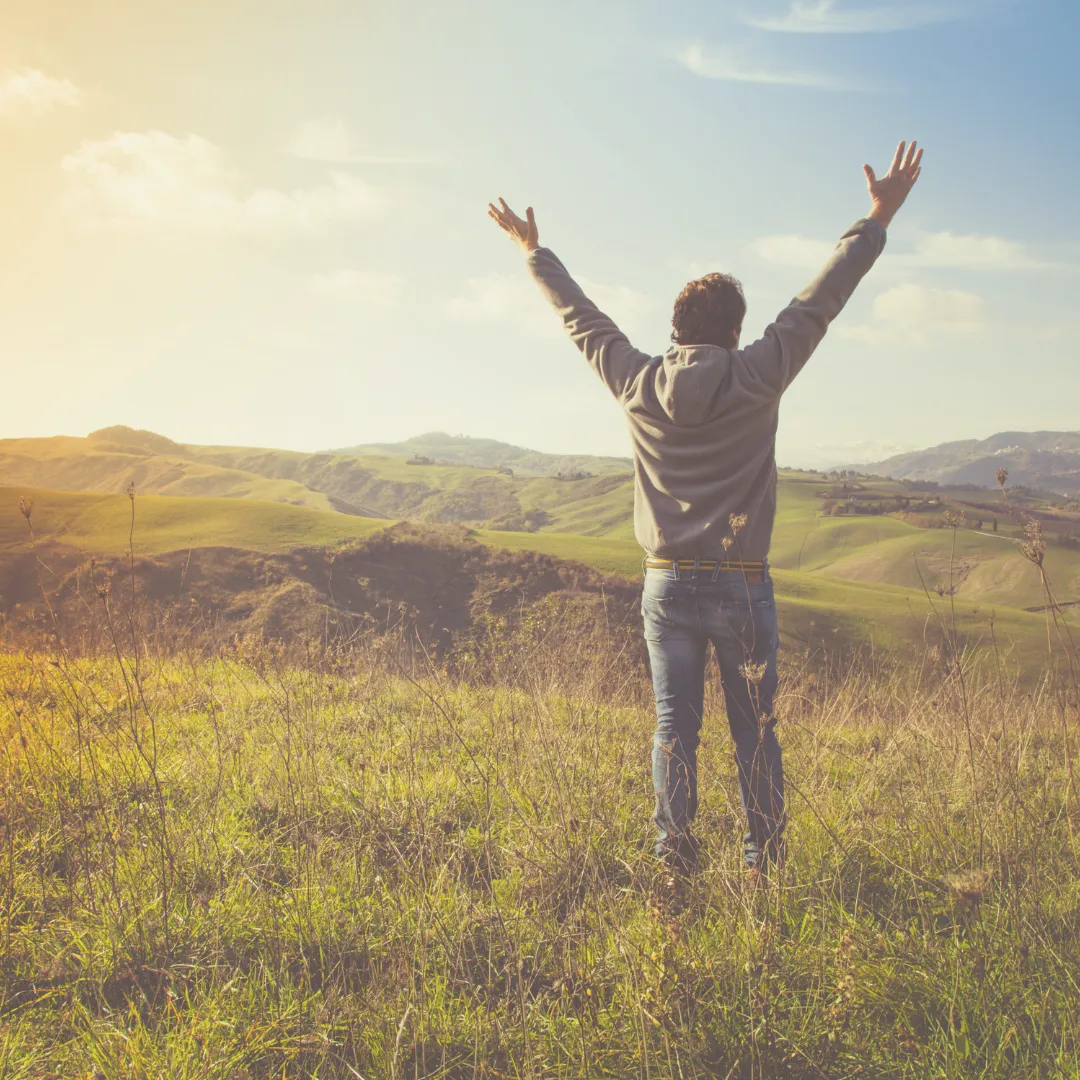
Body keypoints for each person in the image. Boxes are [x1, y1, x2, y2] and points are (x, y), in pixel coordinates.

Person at [488, 141, 923, 877]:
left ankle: (673, 860)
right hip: (741, 584)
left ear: (675, 331)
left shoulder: (636, 381)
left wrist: (535, 252)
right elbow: (821, 300)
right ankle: (763, 865)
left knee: (672, 729)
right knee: (754, 731)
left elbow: (580, 319)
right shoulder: (758, 374)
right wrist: (876, 217)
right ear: (732, 331)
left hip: (664, 582)